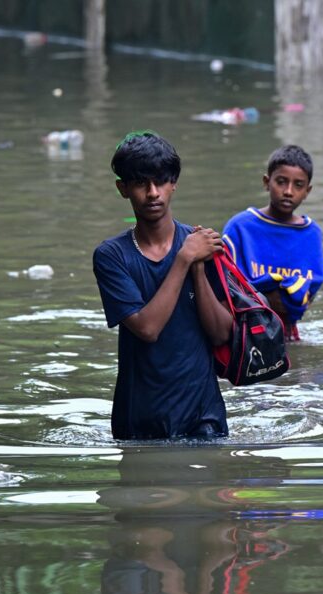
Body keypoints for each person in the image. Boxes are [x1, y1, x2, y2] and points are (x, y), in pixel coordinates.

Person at [92, 131, 233, 440]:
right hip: (141, 418)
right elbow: (147, 329)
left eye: (160, 182)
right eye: (141, 183)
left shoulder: (203, 244)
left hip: (203, 415)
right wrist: (183, 260)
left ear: (174, 183)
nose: (153, 192)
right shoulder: (111, 256)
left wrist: (197, 267)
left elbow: (222, 333)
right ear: (123, 189)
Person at [222, 145, 323, 341]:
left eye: (298, 185)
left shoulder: (311, 234)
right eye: (281, 182)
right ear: (266, 182)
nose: (288, 191)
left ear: (307, 191)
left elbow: (310, 289)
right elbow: (225, 284)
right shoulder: (240, 227)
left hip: (288, 332)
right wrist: (268, 299)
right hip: (246, 328)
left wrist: (292, 300)